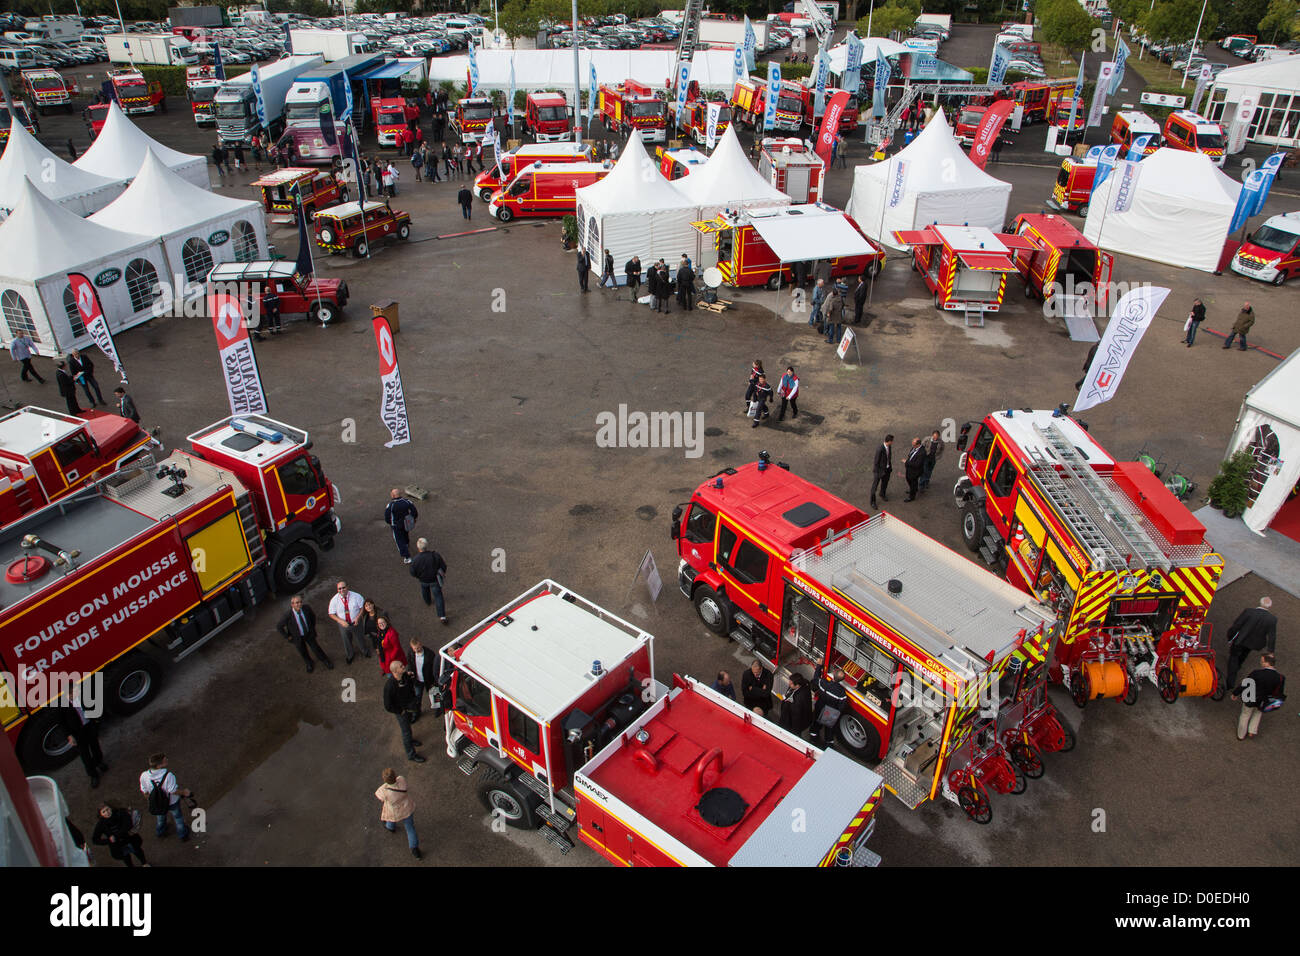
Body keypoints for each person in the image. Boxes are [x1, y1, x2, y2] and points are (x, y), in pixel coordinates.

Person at [55, 693, 107, 788]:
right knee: (85, 755)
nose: (73, 695)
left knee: (96, 747)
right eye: (70, 694)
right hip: (77, 733)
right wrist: (69, 736)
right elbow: (61, 722)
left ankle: (99, 762)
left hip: (89, 727)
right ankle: (93, 775)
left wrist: (96, 723)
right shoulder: (62, 705)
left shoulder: (83, 697)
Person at [1225, 597, 1277, 687]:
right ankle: (1237, 667)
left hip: (1241, 640)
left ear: (1260, 602)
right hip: (1254, 644)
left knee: (1234, 657)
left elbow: (1236, 625)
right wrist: (1270, 651)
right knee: (1244, 655)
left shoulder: (1249, 612)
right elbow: (1272, 635)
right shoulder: (1272, 619)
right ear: (1270, 606)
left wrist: (1230, 637)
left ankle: (1230, 681)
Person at [1232, 653, 1284, 741]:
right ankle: (1252, 730)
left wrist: (1235, 693)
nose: (1261, 663)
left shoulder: (1257, 673)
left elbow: (1245, 684)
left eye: (1262, 661)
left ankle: (1241, 735)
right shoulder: (1280, 678)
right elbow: (1279, 692)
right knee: (1258, 713)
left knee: (1245, 715)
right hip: (1265, 699)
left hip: (1251, 697)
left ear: (1267, 663)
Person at [138, 753, 191, 840]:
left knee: (160, 818)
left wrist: (151, 800)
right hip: (172, 802)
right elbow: (173, 790)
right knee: (178, 818)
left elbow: (144, 791)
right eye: (165, 760)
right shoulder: (169, 776)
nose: (167, 760)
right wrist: (184, 792)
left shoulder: (144, 775)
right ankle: (182, 834)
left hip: (157, 803)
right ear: (159, 765)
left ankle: (160, 831)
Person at [277, 594, 333, 672]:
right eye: (297, 603)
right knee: (303, 651)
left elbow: (313, 617)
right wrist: (287, 637)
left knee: (316, 648)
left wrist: (311, 628)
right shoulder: (288, 615)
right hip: (297, 637)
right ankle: (309, 663)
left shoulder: (306, 608)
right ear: (292, 604)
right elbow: (279, 626)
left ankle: (325, 660)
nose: (299, 604)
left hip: (308, 634)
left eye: (300, 602)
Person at [375, 768, 422, 858]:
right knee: (410, 828)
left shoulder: (384, 791)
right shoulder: (401, 780)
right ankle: (415, 849)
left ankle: (390, 827)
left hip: (394, 811)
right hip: (407, 807)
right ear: (395, 776)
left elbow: (379, 795)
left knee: (390, 818)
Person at [383, 661, 425, 762]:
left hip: (409, 706)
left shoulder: (405, 676)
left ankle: (411, 740)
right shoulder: (390, 686)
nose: (404, 667)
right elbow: (388, 705)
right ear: (395, 671)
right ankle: (411, 754)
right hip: (401, 711)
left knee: (409, 726)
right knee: (406, 732)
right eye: (401, 666)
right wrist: (400, 711)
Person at [328, 581, 370, 664]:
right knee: (346, 640)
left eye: (343, 587)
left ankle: (365, 651)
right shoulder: (334, 600)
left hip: (356, 622)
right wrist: (340, 621)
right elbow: (331, 613)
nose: (342, 590)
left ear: (347, 587)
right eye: (339, 588)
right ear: (337, 590)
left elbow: (362, 608)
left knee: (360, 638)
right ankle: (350, 655)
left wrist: (358, 618)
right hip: (343, 625)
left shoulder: (356, 596)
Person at [410, 537, 449, 624]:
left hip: (423, 580)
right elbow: (443, 566)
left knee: (424, 590)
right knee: (438, 596)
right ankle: (442, 616)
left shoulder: (415, 559)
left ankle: (427, 601)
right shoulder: (435, 555)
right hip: (434, 580)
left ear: (418, 547)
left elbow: (412, 572)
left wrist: (418, 576)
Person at [810, 665, 847, 746]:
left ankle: (813, 737)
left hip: (820, 707)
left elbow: (816, 678)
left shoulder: (824, 683)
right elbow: (841, 707)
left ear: (833, 675)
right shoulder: (842, 693)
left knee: (816, 723)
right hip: (831, 712)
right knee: (829, 728)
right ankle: (828, 743)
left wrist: (819, 666)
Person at [384, 488, 419, 563]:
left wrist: (390, 523)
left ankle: (407, 557)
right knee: (405, 534)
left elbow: (387, 517)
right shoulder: (407, 502)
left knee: (399, 540)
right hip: (406, 523)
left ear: (393, 495)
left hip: (396, 526)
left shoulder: (391, 505)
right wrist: (412, 519)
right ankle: (407, 543)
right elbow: (414, 511)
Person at [409, 637, 440, 718]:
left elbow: (435, 668)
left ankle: (438, 709)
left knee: (435, 695)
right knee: (417, 698)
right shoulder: (411, 653)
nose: (417, 650)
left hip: (429, 680)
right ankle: (416, 713)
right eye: (415, 648)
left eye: (418, 647)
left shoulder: (430, 654)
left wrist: (435, 680)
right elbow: (409, 663)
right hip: (417, 680)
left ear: (421, 644)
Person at [779, 672, 813, 737]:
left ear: (797, 685)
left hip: (795, 723)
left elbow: (797, 715)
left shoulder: (801, 697)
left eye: (791, 684)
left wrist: (787, 703)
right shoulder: (798, 685)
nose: (789, 684)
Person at [870, 434, 894, 509]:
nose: (893, 442)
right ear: (889, 441)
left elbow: (888, 457)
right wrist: (877, 472)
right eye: (892, 441)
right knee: (874, 487)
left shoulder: (889, 446)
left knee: (885, 482)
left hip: (887, 469)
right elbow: (876, 462)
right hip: (879, 471)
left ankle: (882, 494)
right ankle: (872, 502)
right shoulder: (880, 449)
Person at [903, 436, 925, 502]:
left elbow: (917, 464)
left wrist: (906, 462)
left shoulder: (922, 453)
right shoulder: (914, 448)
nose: (912, 445)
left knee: (913, 482)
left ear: (918, 444)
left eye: (914, 444)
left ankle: (912, 496)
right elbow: (910, 454)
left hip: (915, 471)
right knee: (908, 479)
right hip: (909, 469)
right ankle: (913, 489)